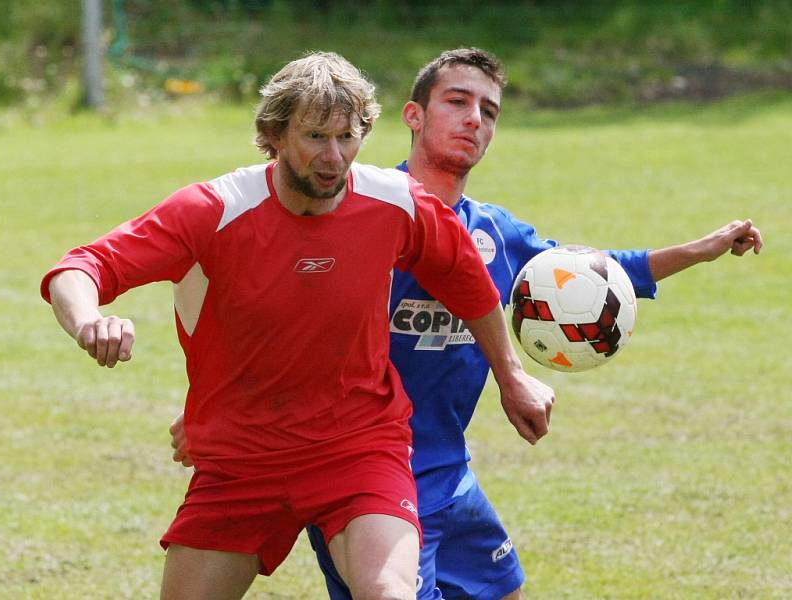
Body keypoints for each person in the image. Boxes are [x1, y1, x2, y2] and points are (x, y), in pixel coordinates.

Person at [169, 49, 763, 599]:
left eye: (488, 110)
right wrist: (218, 412)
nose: (473, 119)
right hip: (367, 472)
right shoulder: (366, 216)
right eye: (456, 101)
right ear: (412, 116)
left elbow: (589, 275)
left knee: (502, 590)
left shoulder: (494, 233)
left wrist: (699, 249)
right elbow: (272, 316)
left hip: (450, 470)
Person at [40, 51, 556, 600]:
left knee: (389, 592)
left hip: (358, 449)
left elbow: (467, 281)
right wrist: (88, 320)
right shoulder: (215, 209)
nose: (334, 157)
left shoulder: (396, 202)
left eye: (348, 137)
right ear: (275, 134)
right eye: (315, 137)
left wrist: (511, 375)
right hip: (241, 462)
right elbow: (82, 267)